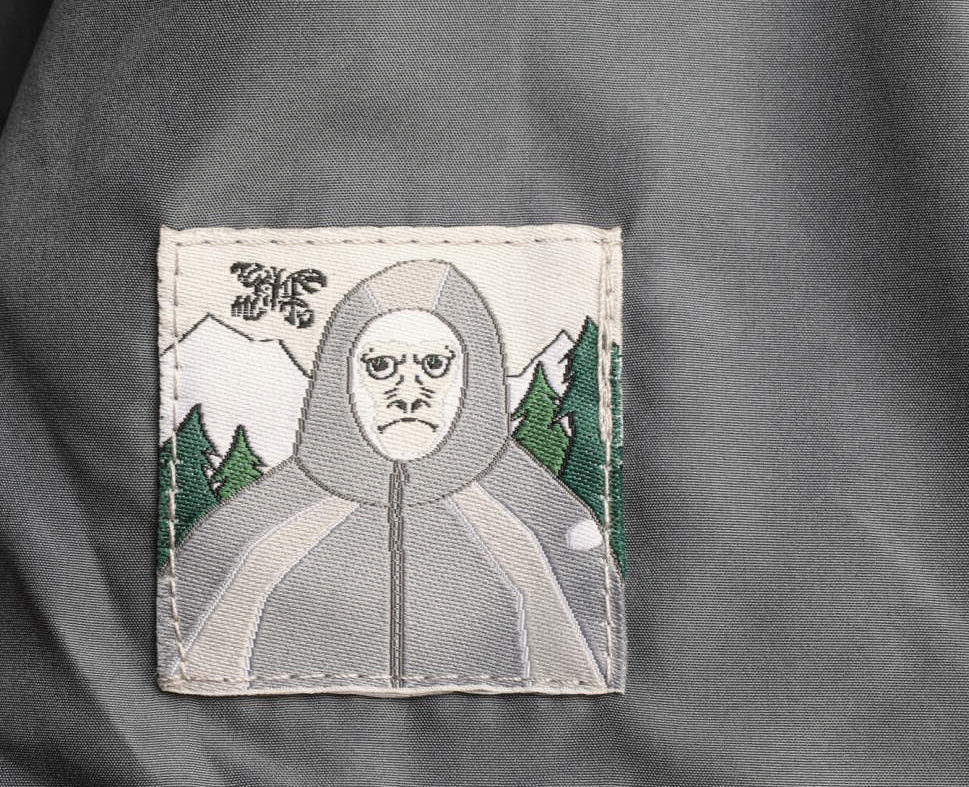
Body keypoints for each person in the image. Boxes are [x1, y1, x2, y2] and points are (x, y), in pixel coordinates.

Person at [159, 259, 623, 694]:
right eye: (380, 366)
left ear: (475, 377)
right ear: (340, 379)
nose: (409, 394)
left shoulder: (542, 523)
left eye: (435, 365)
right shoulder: (250, 532)